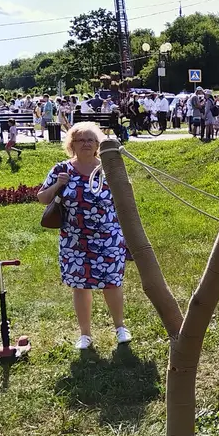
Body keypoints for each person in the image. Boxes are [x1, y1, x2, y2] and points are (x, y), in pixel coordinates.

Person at [37, 122, 131, 350]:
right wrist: (58, 184)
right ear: (72, 144)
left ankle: (120, 327)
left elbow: (127, 196)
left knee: (112, 283)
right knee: (80, 286)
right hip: (75, 240)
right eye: (81, 140)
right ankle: (85, 334)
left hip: (108, 237)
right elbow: (42, 198)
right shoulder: (62, 169)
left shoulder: (109, 167)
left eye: (91, 140)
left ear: (98, 144)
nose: (87, 143)